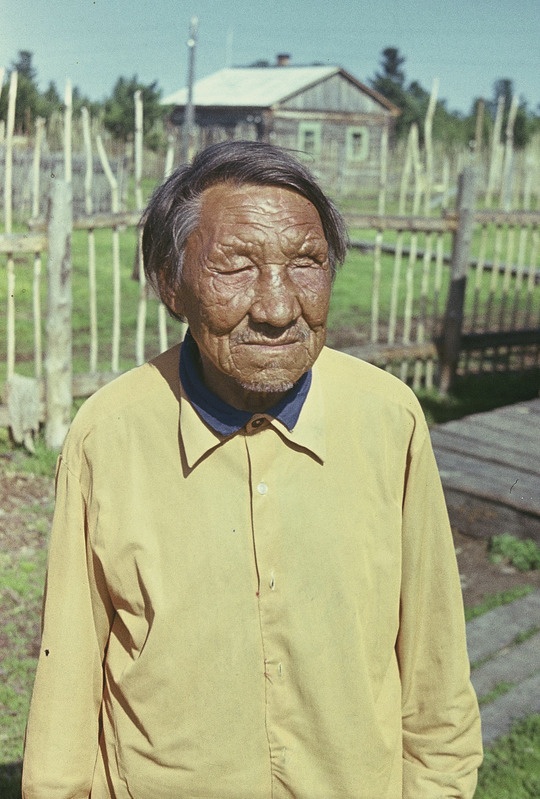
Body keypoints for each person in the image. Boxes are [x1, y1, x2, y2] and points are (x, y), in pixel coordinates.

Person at [22, 140, 482, 799]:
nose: (275, 307)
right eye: (236, 267)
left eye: (305, 265)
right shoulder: (108, 434)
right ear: (169, 283)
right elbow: (67, 672)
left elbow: (436, 666)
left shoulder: (388, 420)